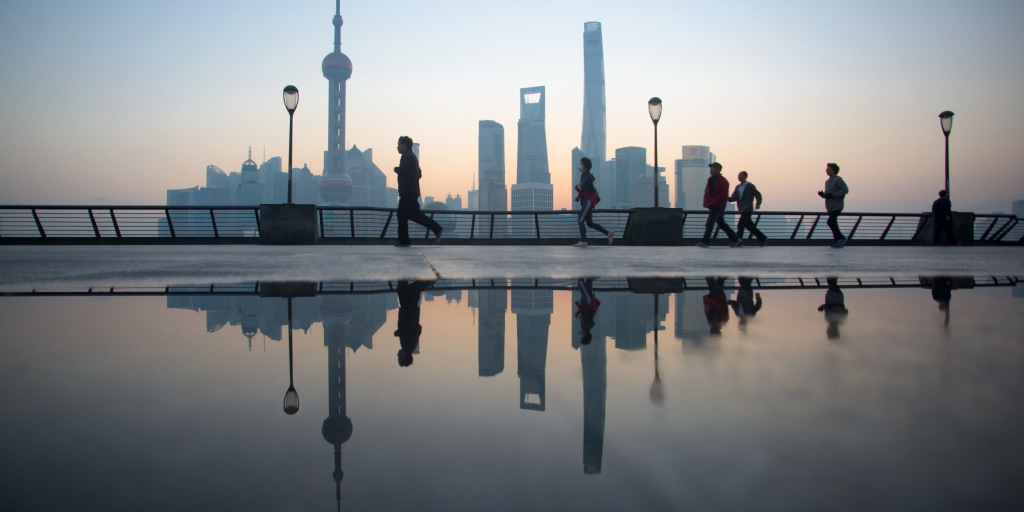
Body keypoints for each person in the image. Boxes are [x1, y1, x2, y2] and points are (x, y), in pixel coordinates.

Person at [394, 135, 443, 247]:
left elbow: (405, 171)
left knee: (413, 215)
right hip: (410, 191)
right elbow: (419, 174)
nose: (397, 147)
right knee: (403, 215)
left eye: (399, 144)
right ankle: (404, 241)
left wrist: (396, 169)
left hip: (407, 192)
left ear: (404, 145)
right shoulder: (413, 157)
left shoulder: (406, 156)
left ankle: (437, 229)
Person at [696, 162, 740, 248]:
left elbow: (723, 194)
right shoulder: (710, 180)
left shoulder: (723, 181)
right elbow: (706, 192)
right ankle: (736, 239)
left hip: (718, 206)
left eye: (712, 168)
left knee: (709, 223)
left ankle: (705, 241)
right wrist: (706, 203)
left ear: (718, 169)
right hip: (712, 206)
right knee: (722, 224)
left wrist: (713, 202)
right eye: (711, 169)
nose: (711, 170)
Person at [573, 157, 613, 248]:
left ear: (585, 166)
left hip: (588, 201)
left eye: (581, 164)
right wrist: (578, 188)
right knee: (589, 223)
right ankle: (608, 233)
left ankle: (583, 241)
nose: (579, 166)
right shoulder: (584, 175)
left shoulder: (588, 176)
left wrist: (580, 187)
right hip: (585, 201)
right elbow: (584, 189)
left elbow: (592, 189)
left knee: (580, 220)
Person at [394, 279, 434, 367]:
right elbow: (411, 329)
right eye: (399, 358)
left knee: (410, 289)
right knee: (410, 289)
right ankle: (432, 279)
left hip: (411, 311)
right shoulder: (407, 345)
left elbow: (419, 328)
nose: (398, 355)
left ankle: (430, 279)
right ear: (405, 357)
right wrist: (399, 332)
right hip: (408, 311)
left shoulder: (409, 346)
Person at [727, 171, 768, 247]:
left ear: (745, 176)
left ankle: (738, 241)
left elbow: (758, 194)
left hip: (747, 209)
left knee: (740, 225)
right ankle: (763, 238)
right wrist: (726, 198)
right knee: (750, 226)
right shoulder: (738, 187)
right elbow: (734, 197)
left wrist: (758, 203)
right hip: (742, 209)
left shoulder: (750, 186)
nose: (738, 177)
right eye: (738, 175)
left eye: (740, 175)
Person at [817, 162, 849, 248]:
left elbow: (845, 190)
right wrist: (823, 195)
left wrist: (833, 195)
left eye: (829, 169)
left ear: (834, 171)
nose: (827, 171)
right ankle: (837, 240)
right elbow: (828, 194)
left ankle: (841, 238)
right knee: (833, 222)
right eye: (826, 169)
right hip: (830, 206)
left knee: (830, 221)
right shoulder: (827, 182)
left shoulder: (838, 179)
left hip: (837, 206)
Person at [574, 277, 601, 346]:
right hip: (588, 303)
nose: (580, 336)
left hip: (585, 303)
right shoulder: (589, 325)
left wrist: (579, 314)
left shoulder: (583, 327)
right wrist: (581, 316)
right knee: (581, 285)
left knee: (587, 283)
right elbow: (591, 313)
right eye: (581, 337)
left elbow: (583, 314)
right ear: (585, 336)